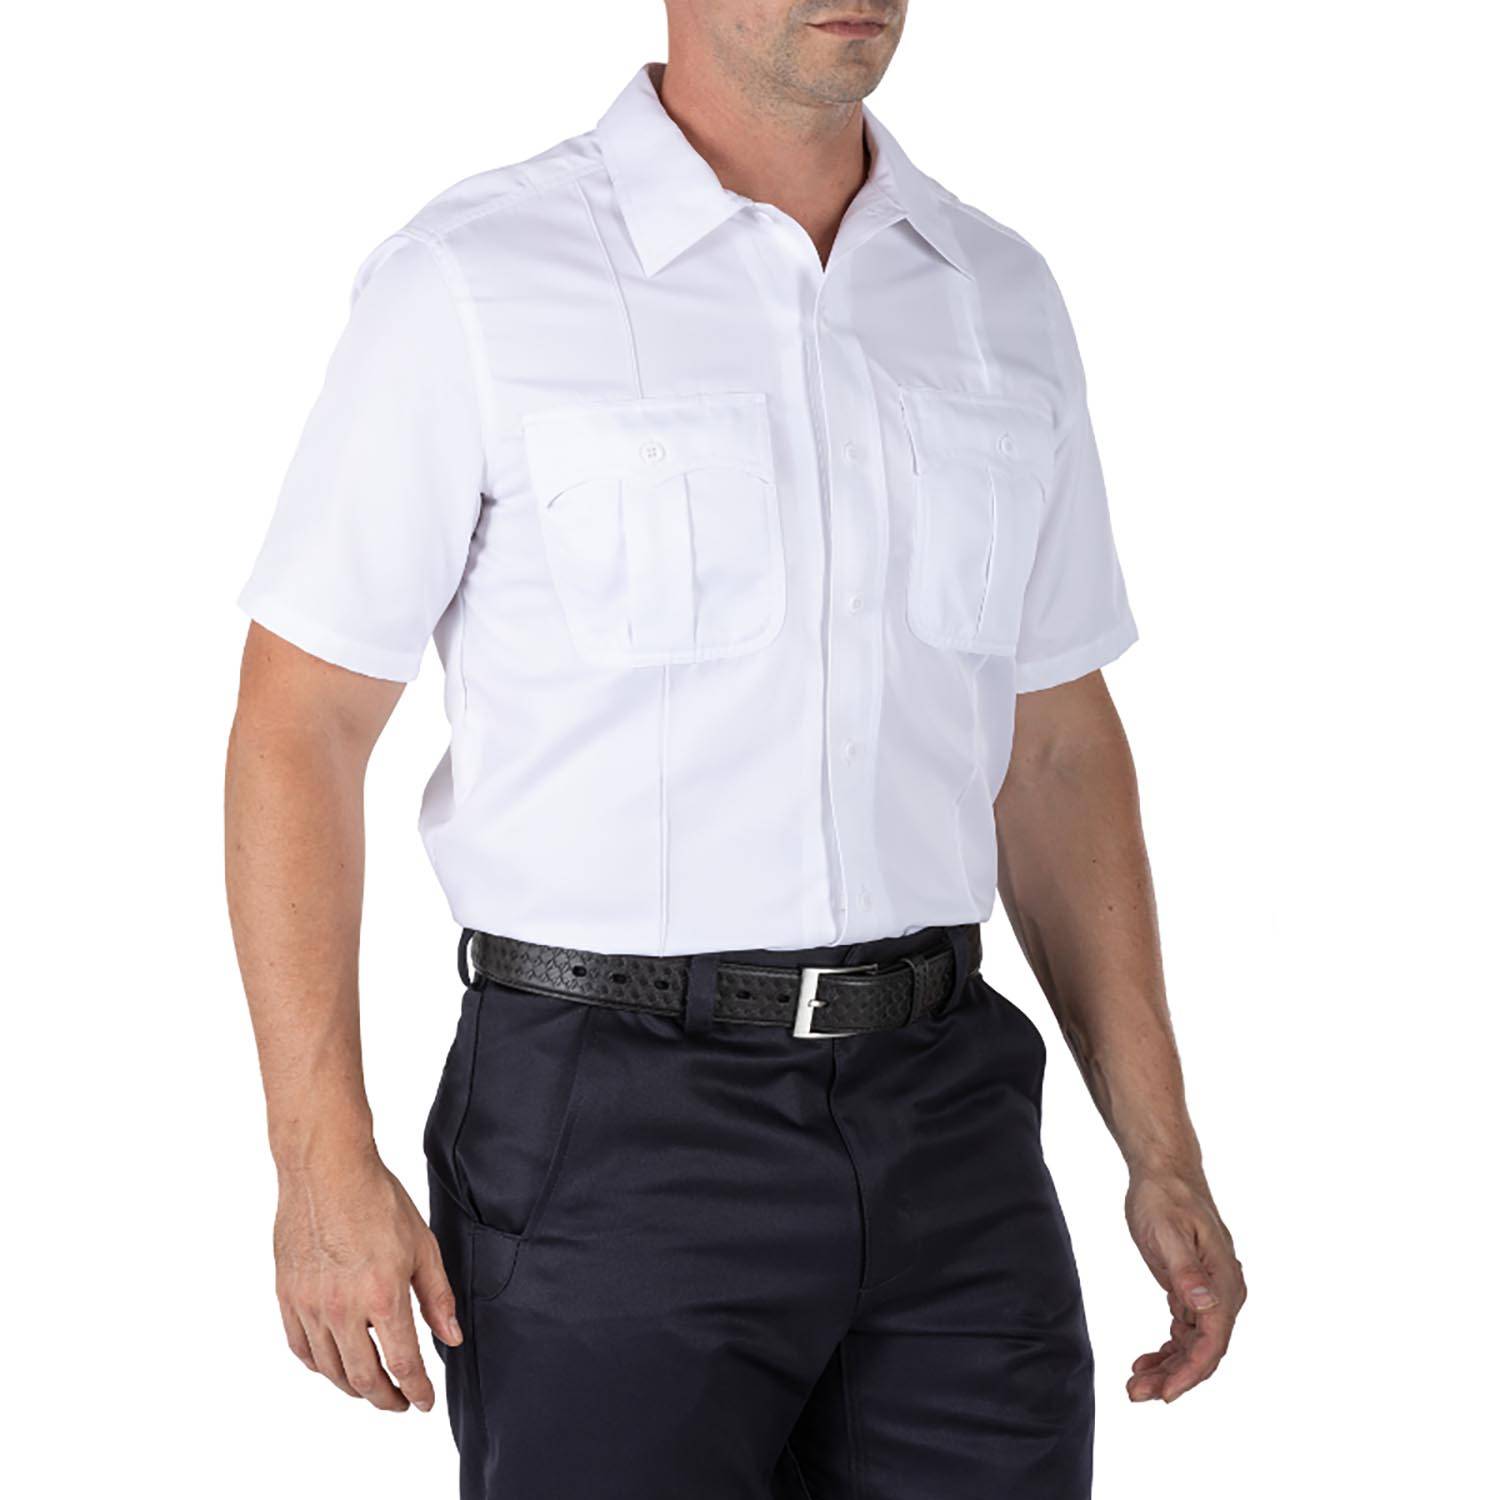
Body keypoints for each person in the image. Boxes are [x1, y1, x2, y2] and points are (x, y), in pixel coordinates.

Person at [225, 4, 1245, 1495]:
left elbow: (1054, 748)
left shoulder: (996, 294)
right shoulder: (475, 280)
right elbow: (300, 724)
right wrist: (318, 1155)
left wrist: (1161, 1149)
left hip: (950, 1119)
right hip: (609, 1128)